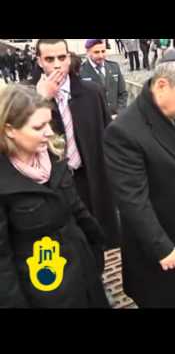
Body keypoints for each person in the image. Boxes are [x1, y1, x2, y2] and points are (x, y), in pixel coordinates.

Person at [103, 50, 175, 308]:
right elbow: (132, 200)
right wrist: (162, 248)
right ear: (163, 85)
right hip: (157, 250)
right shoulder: (123, 132)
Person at [0, 84, 110, 308]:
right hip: (44, 289)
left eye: (49, 122)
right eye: (39, 127)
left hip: (84, 272)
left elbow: (77, 209)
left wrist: (96, 245)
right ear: (10, 129)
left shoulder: (53, 157)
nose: (49, 132)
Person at [33, 39, 120, 256]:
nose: (56, 65)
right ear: (39, 62)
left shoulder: (92, 92)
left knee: (95, 237)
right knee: (65, 243)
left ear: (69, 58)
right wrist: (41, 98)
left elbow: (108, 136)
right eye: (49, 59)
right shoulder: (27, 96)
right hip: (52, 184)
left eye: (62, 58)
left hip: (89, 178)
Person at [80, 39, 128, 119]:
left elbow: (122, 93)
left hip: (115, 118)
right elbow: (81, 101)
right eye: (96, 52)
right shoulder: (81, 71)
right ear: (88, 52)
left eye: (103, 51)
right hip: (95, 120)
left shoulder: (114, 67)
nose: (101, 55)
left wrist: (119, 113)